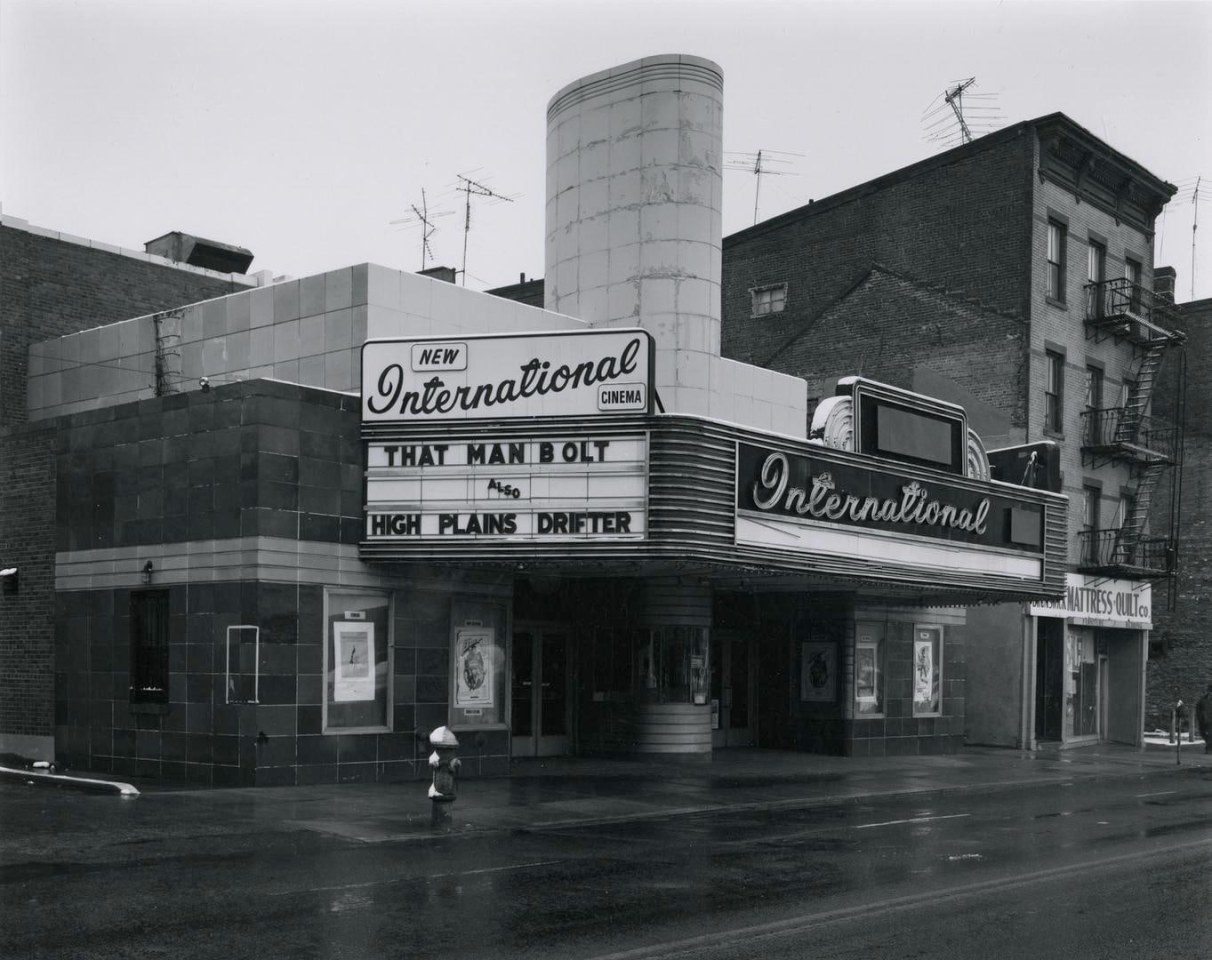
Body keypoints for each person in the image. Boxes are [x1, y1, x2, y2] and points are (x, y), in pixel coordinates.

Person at [1197, 683, 1212, 754]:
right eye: (1209, 690)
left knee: (1210, 735)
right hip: (1203, 720)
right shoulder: (1202, 699)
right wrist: (1200, 717)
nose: (1210, 692)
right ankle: (1209, 746)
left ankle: (1209, 749)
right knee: (1202, 733)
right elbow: (1198, 708)